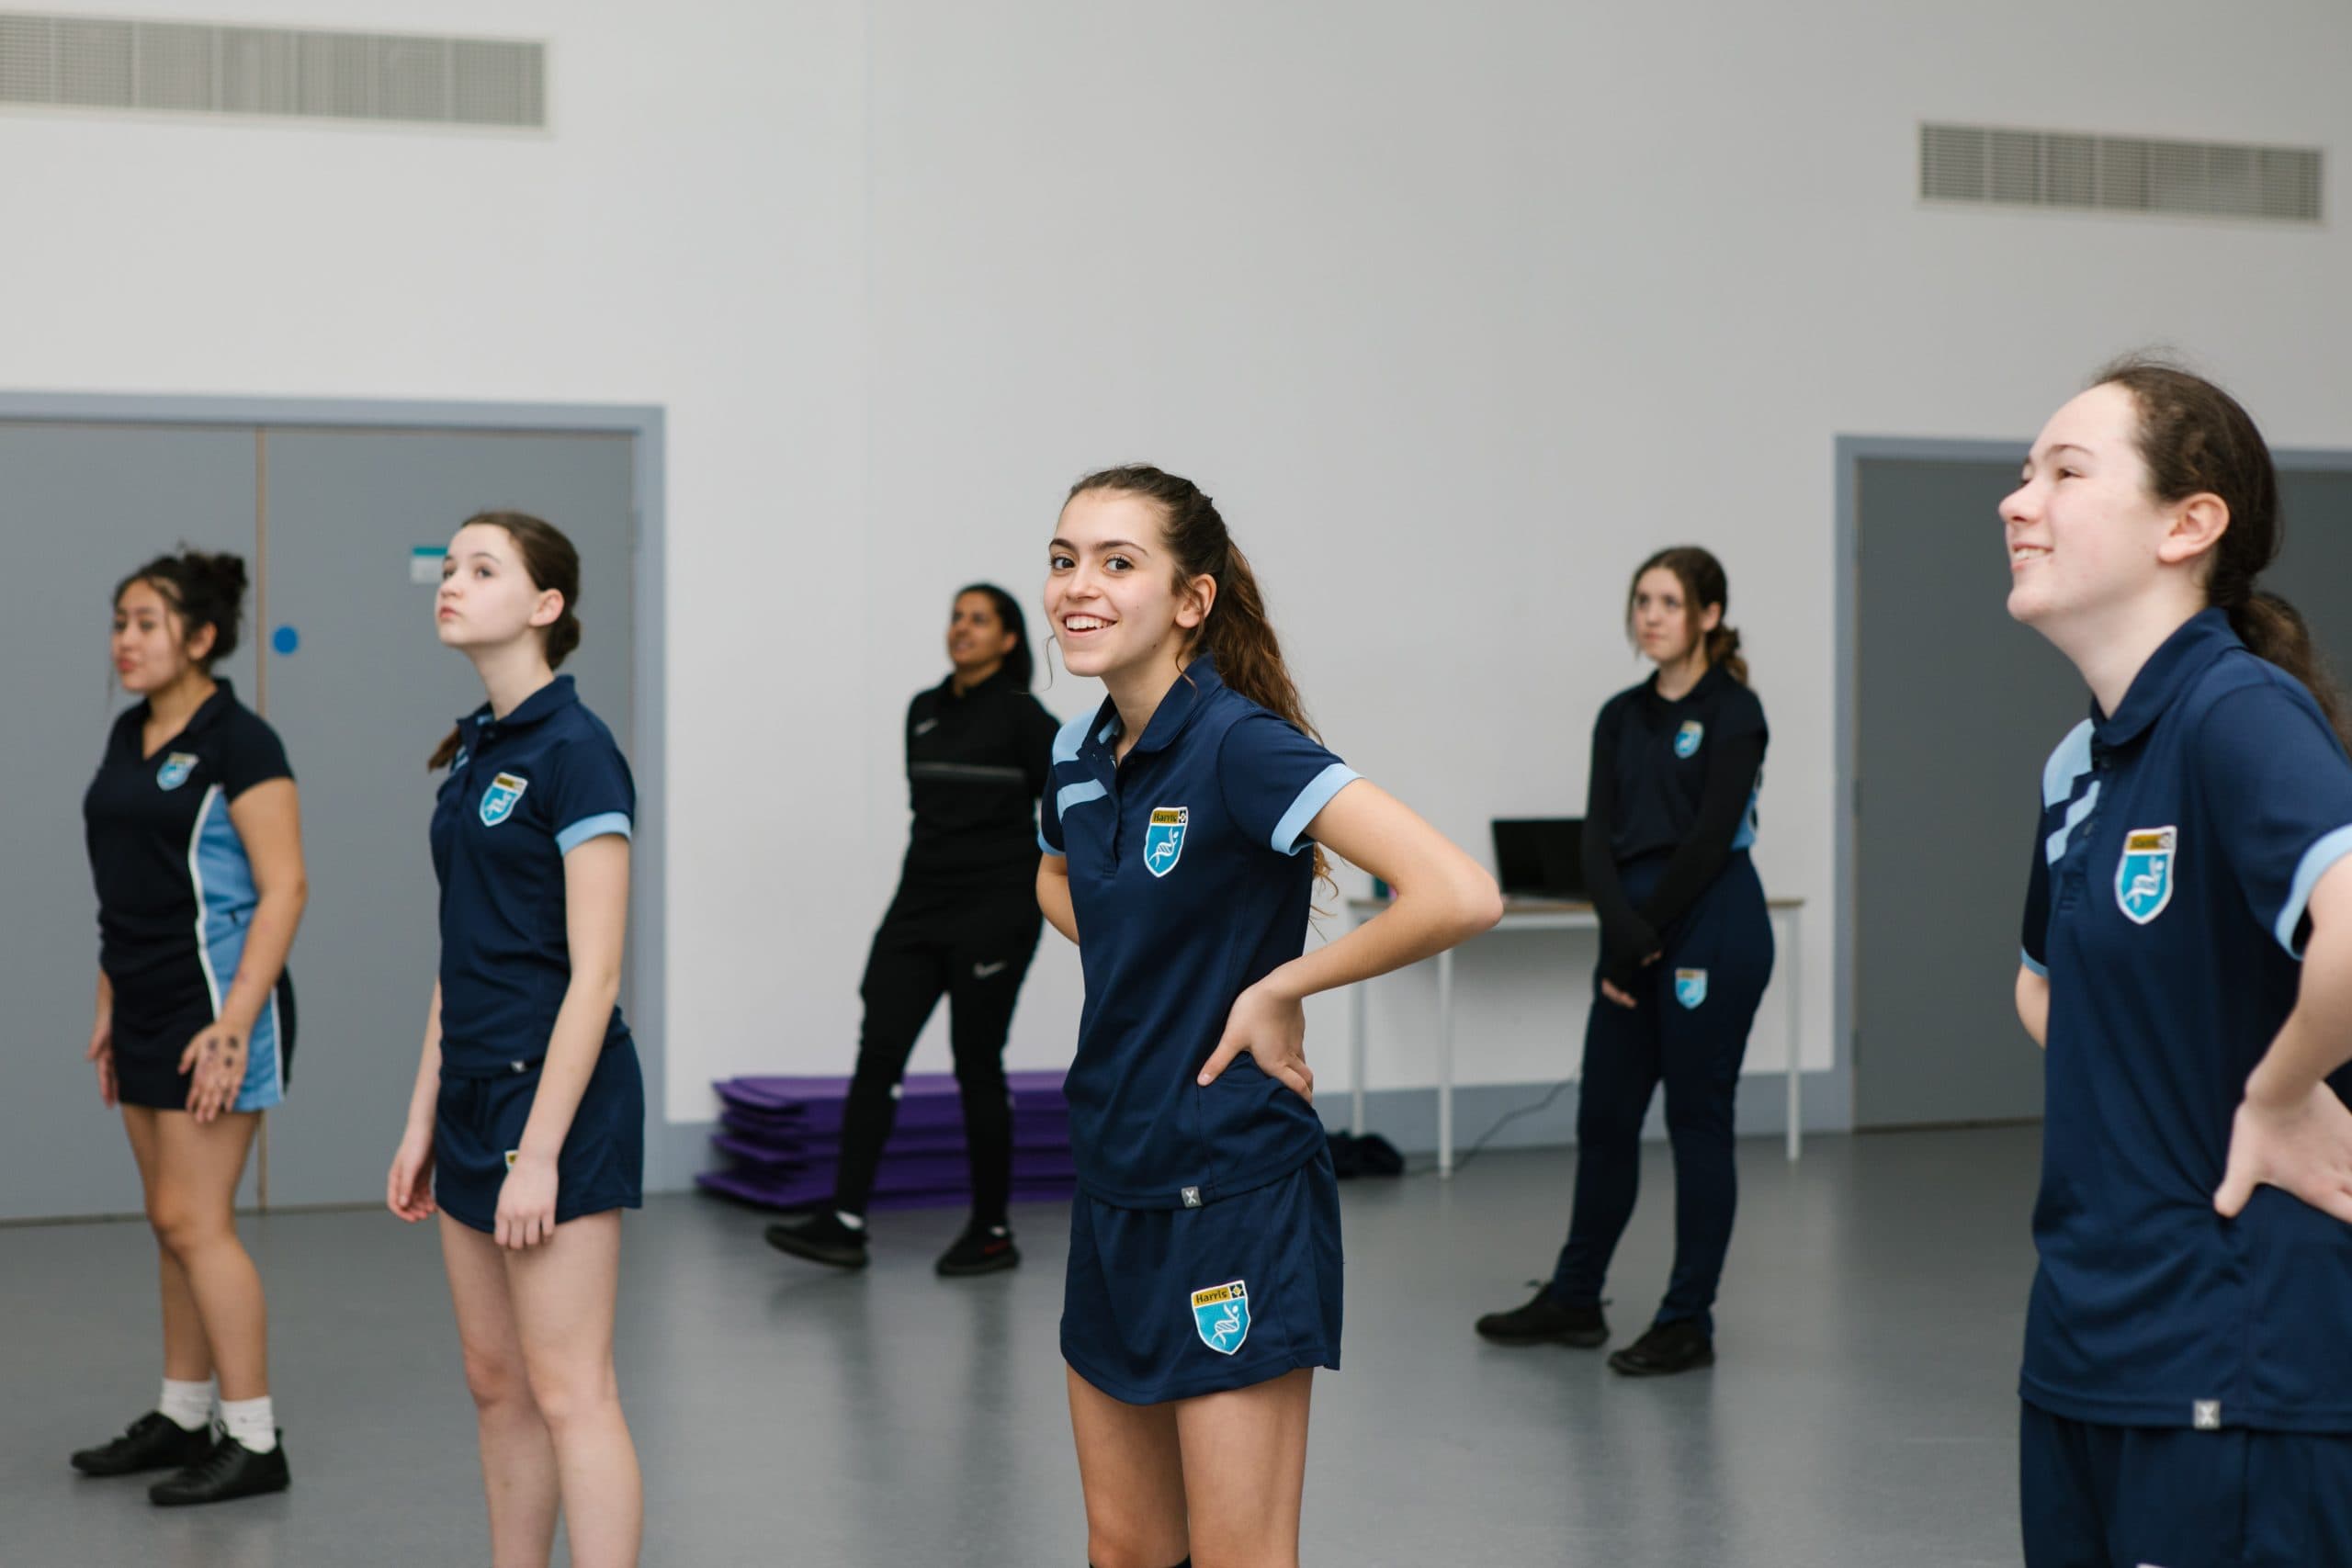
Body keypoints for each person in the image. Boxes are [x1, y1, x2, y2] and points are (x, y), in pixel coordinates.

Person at [1037, 465, 1500, 1568]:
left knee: (1241, 1553)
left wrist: (1277, 985)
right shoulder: (1075, 752)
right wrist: (1161, 953)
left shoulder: (1240, 746)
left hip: (1231, 1187)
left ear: (1191, 600)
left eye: (1116, 562)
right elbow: (1058, 881)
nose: (1076, 588)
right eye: (1062, 561)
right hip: (1114, 1175)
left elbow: (1458, 892)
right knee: (1125, 1547)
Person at [2003, 359, 2352, 1567]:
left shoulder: (2236, 710)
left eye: (2064, 470)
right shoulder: (2075, 764)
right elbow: (2041, 981)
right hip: (2081, 1346)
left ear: (2188, 524)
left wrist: (2277, 1089)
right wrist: (2175, 1084)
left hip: (2226, 1349)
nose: (2017, 500)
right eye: (2022, 470)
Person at [386, 512, 644, 1568]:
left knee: (570, 1390)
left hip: (558, 1105)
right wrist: (419, 1123)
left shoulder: (578, 754)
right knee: (495, 1385)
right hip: (468, 1100)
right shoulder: (476, 751)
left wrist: (538, 1151)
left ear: (545, 606)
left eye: (482, 569)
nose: (452, 582)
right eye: (448, 567)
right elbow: (464, 957)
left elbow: (597, 974)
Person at [1476, 546, 1771, 1377]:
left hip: (1711, 926)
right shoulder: (1620, 714)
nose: (1649, 614)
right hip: (1630, 932)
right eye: (1642, 599)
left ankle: (1687, 1319)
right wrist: (1621, 932)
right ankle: (1575, 1296)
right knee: (1604, 1117)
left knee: (1696, 1123)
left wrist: (1645, 933)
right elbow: (1595, 838)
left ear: (1708, 615)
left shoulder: (1734, 711)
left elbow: (1709, 840)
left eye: (1669, 601)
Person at [73, 548, 305, 1506]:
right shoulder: (132, 733)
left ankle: (252, 1439)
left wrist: (236, 1024)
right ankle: (181, 1414)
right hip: (142, 1002)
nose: (125, 641)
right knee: (169, 1224)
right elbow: (129, 883)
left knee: (194, 1219)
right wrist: (107, 997)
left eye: (146, 623)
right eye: (119, 622)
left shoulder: (239, 743)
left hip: (219, 1008)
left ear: (201, 639)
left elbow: (285, 885)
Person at [763, 584, 1058, 1275]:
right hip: (918, 906)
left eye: (979, 619)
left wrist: (1040, 900)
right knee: (879, 1052)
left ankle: (992, 1229)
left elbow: (1070, 817)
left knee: (975, 1061)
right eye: (956, 617)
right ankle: (844, 1220)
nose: (962, 629)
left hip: (994, 913)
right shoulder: (922, 710)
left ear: (1008, 639)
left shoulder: (1027, 719)